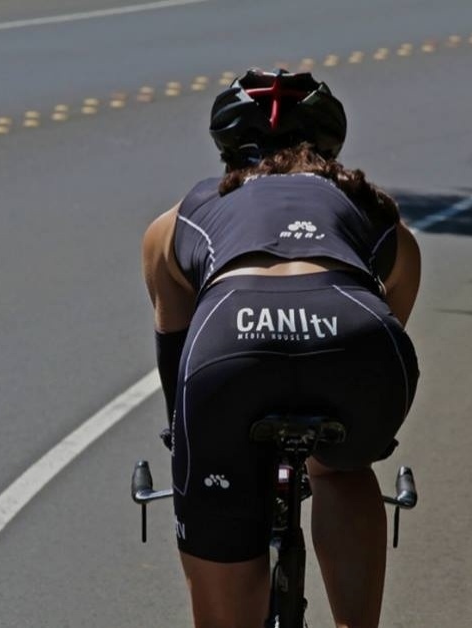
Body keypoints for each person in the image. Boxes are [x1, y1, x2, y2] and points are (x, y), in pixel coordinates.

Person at [141, 68, 420, 628]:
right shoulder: (376, 208)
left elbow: (176, 347)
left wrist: (191, 445)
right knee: (343, 469)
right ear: (329, 149)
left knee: (216, 505)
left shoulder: (180, 217)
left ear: (227, 150)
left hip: (231, 335)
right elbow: (394, 310)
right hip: (355, 331)